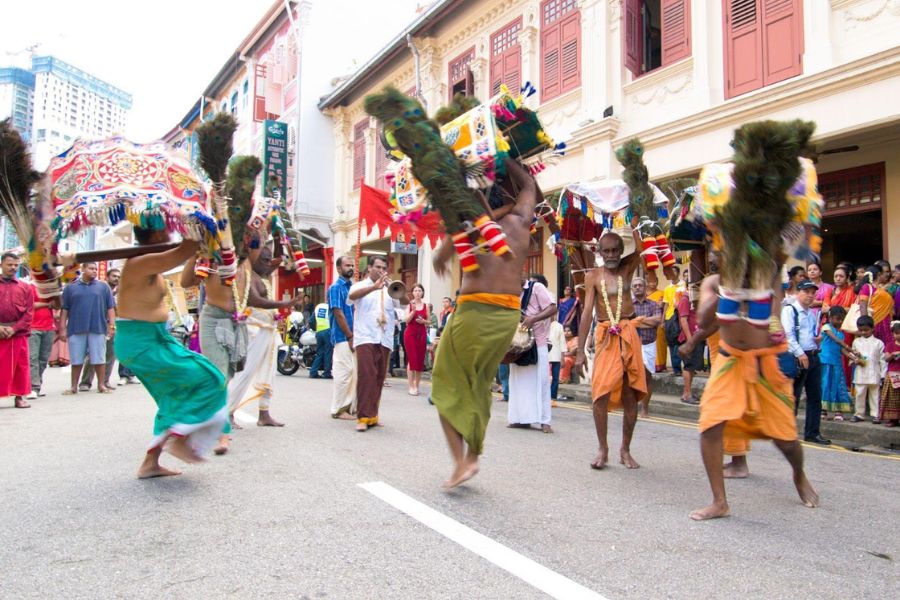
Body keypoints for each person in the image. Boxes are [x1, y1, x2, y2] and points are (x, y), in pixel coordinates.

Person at [430, 157, 538, 487]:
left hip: (474, 312)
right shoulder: (521, 219)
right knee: (479, 385)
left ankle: (462, 463)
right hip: (507, 317)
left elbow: (439, 259)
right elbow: (530, 185)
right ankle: (473, 455)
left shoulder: (469, 228)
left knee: (444, 383)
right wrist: (505, 157)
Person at [115, 228, 228, 478]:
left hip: (153, 338)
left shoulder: (150, 263)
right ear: (155, 236)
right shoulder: (140, 262)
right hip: (141, 342)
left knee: (175, 395)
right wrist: (202, 227)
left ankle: (150, 463)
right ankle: (179, 438)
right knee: (210, 379)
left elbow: (185, 252)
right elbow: (184, 250)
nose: (169, 236)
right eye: (165, 233)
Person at [574, 219, 660, 470]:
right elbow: (587, 312)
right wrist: (580, 352)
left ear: (621, 252)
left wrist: (634, 223)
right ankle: (603, 449)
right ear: (599, 253)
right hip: (605, 335)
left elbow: (644, 252)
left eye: (615, 250)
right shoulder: (592, 276)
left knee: (630, 396)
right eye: (607, 251)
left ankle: (625, 449)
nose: (611, 255)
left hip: (628, 332)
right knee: (599, 394)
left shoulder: (626, 269)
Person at [679, 272, 749, 479]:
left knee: (722, 410)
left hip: (730, 360)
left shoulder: (727, 295)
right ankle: (737, 460)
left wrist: (691, 343)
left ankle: (739, 464)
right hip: (728, 358)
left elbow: (714, 323)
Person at [223, 246, 294, 448]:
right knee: (244, 372)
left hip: (267, 331)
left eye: (269, 259)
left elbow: (275, 262)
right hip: (253, 330)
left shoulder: (263, 275)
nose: (268, 263)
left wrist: (284, 245)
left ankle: (264, 414)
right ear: (253, 259)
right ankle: (227, 413)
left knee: (268, 374)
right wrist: (283, 304)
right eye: (264, 259)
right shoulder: (247, 275)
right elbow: (255, 300)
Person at [348, 255, 408, 431]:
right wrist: (373, 288)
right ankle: (363, 417)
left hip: (385, 338)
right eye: (379, 267)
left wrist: (395, 288)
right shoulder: (360, 285)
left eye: (384, 268)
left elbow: (405, 303)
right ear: (369, 268)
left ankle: (373, 415)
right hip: (365, 336)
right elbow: (351, 297)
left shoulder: (390, 289)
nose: (382, 271)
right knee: (367, 376)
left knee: (379, 377)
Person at [782, 279, 830, 444]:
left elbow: (809, 334)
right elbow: (788, 336)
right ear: (798, 293)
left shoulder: (811, 313)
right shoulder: (790, 311)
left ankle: (812, 432)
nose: (810, 296)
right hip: (798, 357)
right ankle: (787, 431)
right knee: (793, 395)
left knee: (815, 396)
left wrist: (816, 341)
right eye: (806, 292)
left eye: (812, 292)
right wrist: (801, 354)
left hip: (813, 355)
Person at [508, 273, 557, 433]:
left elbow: (552, 308)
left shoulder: (536, 288)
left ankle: (545, 421)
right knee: (518, 382)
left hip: (538, 342)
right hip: (518, 343)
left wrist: (532, 319)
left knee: (541, 382)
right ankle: (520, 419)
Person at [59, 262, 116, 395]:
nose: (94, 271)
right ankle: (73, 387)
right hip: (76, 327)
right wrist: (62, 328)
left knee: (99, 358)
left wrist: (112, 326)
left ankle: (101, 385)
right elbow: (64, 310)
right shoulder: (70, 288)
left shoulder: (103, 287)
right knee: (76, 358)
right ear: (83, 269)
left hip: (98, 327)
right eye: (91, 268)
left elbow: (110, 308)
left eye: (96, 269)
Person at [0, 252, 33, 409]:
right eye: (9, 264)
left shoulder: (25, 288)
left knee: (21, 366)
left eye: (16, 265)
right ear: (1, 265)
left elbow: (29, 313)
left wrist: (14, 328)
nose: (13, 267)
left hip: (17, 332)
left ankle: (19, 397)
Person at [79, 268, 121, 390]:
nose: (116, 279)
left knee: (110, 354)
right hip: (98, 325)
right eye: (114, 276)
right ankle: (85, 382)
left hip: (113, 325)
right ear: (107, 277)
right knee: (94, 354)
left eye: (118, 277)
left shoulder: (119, 292)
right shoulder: (99, 288)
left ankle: (105, 381)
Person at [328, 256, 357, 419]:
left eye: (352, 265)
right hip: (342, 336)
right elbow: (338, 313)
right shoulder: (336, 287)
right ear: (339, 269)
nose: (351, 267)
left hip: (352, 336)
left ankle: (348, 407)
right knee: (344, 372)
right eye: (347, 265)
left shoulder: (351, 287)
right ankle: (338, 409)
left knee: (352, 372)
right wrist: (349, 335)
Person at [632, 277, 662, 418]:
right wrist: (646, 321)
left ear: (645, 288)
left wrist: (637, 322)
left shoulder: (653, 304)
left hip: (649, 344)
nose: (638, 287)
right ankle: (631, 406)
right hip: (632, 345)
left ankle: (645, 409)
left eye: (640, 285)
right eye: (635, 286)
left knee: (647, 377)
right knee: (630, 377)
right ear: (632, 288)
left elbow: (657, 320)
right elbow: (626, 324)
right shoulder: (628, 305)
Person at [819, 307, 856, 421]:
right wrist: (849, 348)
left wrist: (853, 357)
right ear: (830, 318)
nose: (840, 322)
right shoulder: (826, 327)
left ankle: (838, 411)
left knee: (838, 385)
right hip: (825, 361)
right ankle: (823, 410)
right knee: (825, 385)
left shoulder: (841, 333)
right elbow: (836, 340)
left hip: (836, 362)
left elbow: (842, 350)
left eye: (842, 320)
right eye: (837, 319)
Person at [850, 315, 886, 423]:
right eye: (861, 330)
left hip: (874, 372)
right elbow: (853, 355)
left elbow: (882, 360)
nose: (864, 332)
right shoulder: (856, 342)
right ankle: (859, 414)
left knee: (875, 395)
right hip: (860, 372)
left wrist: (883, 374)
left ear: (872, 328)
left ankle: (876, 414)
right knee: (859, 394)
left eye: (866, 330)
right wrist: (854, 360)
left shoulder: (878, 343)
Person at [28, 280, 58, 399]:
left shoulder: (50, 287)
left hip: (49, 327)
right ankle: (33, 387)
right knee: (32, 358)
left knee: (43, 359)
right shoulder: (30, 287)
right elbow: (30, 305)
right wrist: (47, 304)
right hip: (33, 327)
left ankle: (37, 384)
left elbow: (57, 305)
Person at [677, 286, 704, 405]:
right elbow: (683, 320)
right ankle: (687, 394)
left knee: (692, 367)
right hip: (689, 339)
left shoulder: (697, 299)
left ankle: (686, 393)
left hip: (697, 337)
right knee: (688, 366)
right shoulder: (685, 299)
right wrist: (690, 341)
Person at [856, 265, 894, 347]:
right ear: (879, 274)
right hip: (873, 325)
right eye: (884, 273)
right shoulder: (867, 287)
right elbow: (863, 306)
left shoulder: (880, 288)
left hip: (885, 325)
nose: (886, 275)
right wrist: (865, 326)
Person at [403, 283, 428, 396]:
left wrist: (424, 322)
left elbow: (429, 321)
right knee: (412, 359)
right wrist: (413, 311)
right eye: (415, 290)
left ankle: (417, 385)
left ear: (422, 293)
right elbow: (406, 320)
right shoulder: (409, 305)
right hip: (410, 334)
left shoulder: (425, 305)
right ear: (412, 292)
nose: (418, 292)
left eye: (419, 290)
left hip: (421, 333)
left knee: (419, 360)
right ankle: (411, 386)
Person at [662, 271, 684, 375]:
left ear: (678, 273)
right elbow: (666, 305)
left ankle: (689, 367)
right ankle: (676, 369)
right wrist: (663, 320)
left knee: (684, 341)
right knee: (673, 343)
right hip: (670, 318)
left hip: (683, 316)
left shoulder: (684, 285)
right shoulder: (667, 288)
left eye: (674, 271)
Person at [878, 321, 900, 426]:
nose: (898, 335)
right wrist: (892, 355)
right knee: (891, 398)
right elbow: (886, 358)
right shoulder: (890, 345)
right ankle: (892, 419)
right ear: (893, 334)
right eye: (896, 333)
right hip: (892, 375)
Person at [647, 276, 667, 373]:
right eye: (651, 281)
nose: (653, 283)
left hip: (658, 322)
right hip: (647, 323)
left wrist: (663, 321)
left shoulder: (661, 293)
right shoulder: (644, 295)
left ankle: (660, 365)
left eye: (655, 281)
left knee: (660, 343)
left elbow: (664, 308)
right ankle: (650, 364)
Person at [309, 298, 333, 379]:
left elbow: (311, 321)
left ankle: (313, 372)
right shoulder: (330, 307)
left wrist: (315, 329)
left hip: (319, 332)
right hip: (328, 331)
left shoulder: (318, 306)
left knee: (320, 353)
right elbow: (333, 319)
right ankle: (327, 373)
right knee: (328, 353)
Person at [547, 314, 566, 407]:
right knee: (543, 377)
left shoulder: (559, 326)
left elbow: (562, 342)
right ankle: (543, 397)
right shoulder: (543, 324)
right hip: (545, 354)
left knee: (555, 377)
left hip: (556, 355)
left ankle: (552, 398)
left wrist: (563, 357)